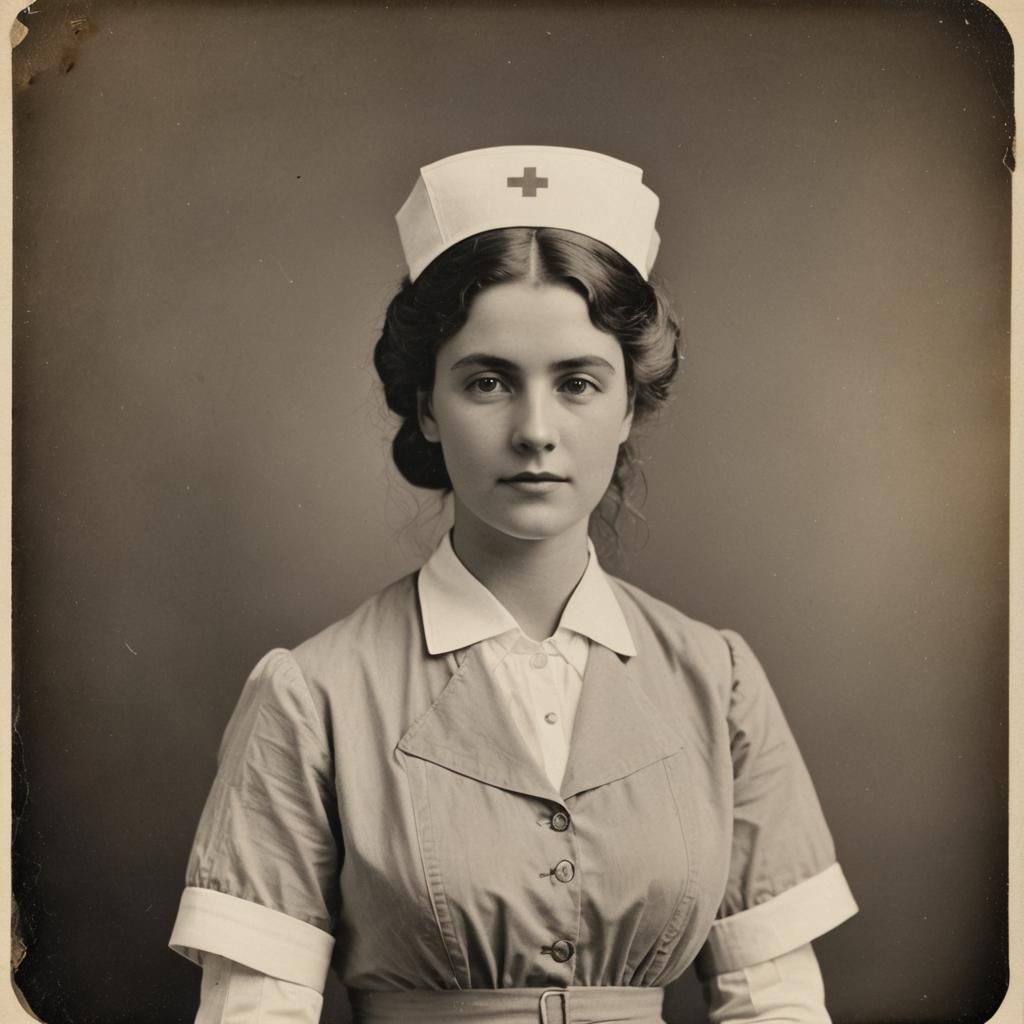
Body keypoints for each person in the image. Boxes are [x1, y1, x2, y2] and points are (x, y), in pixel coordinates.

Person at [169, 145, 858, 1024]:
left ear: (629, 407)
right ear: (426, 406)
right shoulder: (312, 696)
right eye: (488, 381)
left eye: (577, 382)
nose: (536, 431)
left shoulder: (715, 682)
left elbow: (778, 1006)